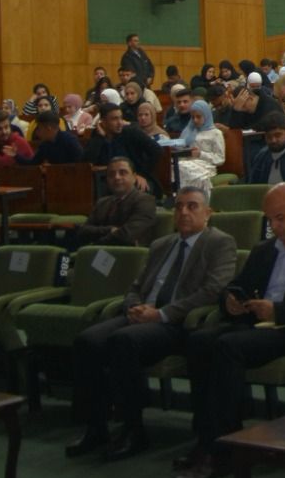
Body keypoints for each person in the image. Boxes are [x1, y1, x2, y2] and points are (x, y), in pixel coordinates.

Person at [175, 183, 285, 478]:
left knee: (228, 346)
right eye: (270, 219)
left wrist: (279, 311)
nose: (274, 226)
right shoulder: (264, 249)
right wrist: (231, 300)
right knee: (199, 340)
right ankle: (206, 437)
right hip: (255, 324)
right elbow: (236, 286)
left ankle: (226, 447)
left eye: (280, 218)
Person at [67, 184, 237, 461]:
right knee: (87, 341)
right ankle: (95, 427)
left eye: (192, 206)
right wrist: (133, 306)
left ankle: (133, 428)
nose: (183, 212)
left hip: (177, 323)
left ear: (208, 213)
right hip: (142, 314)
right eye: (178, 206)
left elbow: (212, 291)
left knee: (124, 341)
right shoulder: (161, 244)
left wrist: (161, 314)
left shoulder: (219, 242)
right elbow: (136, 286)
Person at [76, 157, 158, 246]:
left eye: (123, 173)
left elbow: (126, 235)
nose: (116, 177)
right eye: (111, 174)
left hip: (128, 253)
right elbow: (83, 231)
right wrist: (109, 230)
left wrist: (95, 245)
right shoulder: (102, 202)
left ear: (134, 177)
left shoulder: (145, 201)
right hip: (96, 251)